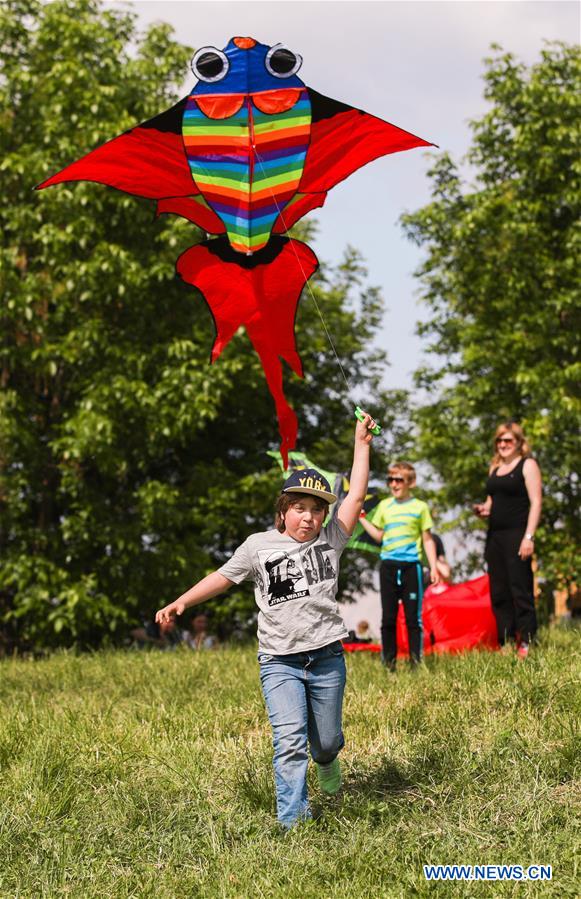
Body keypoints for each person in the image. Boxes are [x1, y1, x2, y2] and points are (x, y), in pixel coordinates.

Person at [156, 412, 377, 829]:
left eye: (316, 509)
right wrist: (181, 602)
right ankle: (294, 823)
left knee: (326, 740)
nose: (308, 517)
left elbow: (356, 497)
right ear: (283, 511)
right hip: (279, 661)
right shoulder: (259, 546)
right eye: (299, 508)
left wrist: (361, 443)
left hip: (327, 655)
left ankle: (327, 760)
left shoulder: (332, 540)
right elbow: (223, 577)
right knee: (289, 740)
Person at [358, 461, 440, 668]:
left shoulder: (420, 507)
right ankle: (389, 663)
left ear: (411, 482)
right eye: (390, 479)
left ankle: (416, 662)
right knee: (388, 618)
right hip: (388, 567)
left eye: (399, 480)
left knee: (413, 618)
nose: (393, 484)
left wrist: (434, 566)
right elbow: (379, 536)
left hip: (412, 567)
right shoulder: (385, 506)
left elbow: (428, 538)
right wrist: (362, 519)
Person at [473, 422, 542, 658]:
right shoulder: (495, 467)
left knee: (520, 588)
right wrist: (484, 509)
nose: (503, 445)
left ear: (519, 443)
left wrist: (529, 537)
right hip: (495, 536)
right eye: (499, 441)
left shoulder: (528, 465)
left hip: (518, 534)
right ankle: (507, 641)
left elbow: (536, 503)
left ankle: (528, 641)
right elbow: (492, 501)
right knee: (499, 591)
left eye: (508, 441)